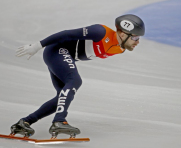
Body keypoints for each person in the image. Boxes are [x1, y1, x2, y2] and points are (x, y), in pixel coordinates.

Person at [10, 14, 145, 138]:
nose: (137, 42)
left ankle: (25, 122)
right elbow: (67, 34)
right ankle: (59, 121)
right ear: (122, 33)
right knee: (74, 81)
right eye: (135, 37)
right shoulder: (100, 32)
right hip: (56, 50)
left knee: (62, 97)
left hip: (63, 56)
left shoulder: (120, 49)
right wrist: (37, 45)